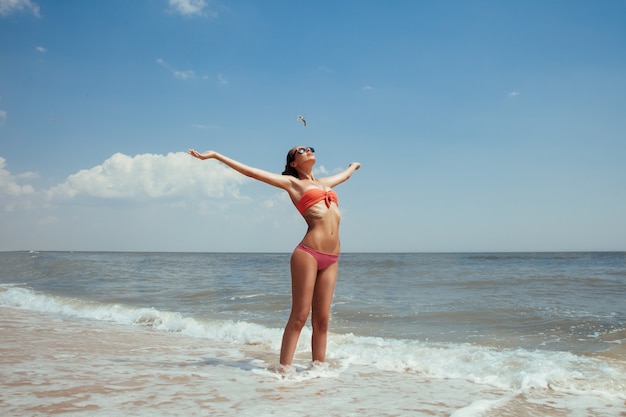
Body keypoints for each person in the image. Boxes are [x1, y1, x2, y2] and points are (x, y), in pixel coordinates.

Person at [187, 146, 360, 370]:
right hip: (308, 254)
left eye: (310, 148)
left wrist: (353, 166)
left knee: (323, 320)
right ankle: (284, 371)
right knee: (300, 315)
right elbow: (251, 172)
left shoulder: (326, 183)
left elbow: (346, 175)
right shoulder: (293, 184)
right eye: (300, 150)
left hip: (332, 257)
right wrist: (215, 156)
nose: (307, 150)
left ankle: (319, 371)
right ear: (293, 164)